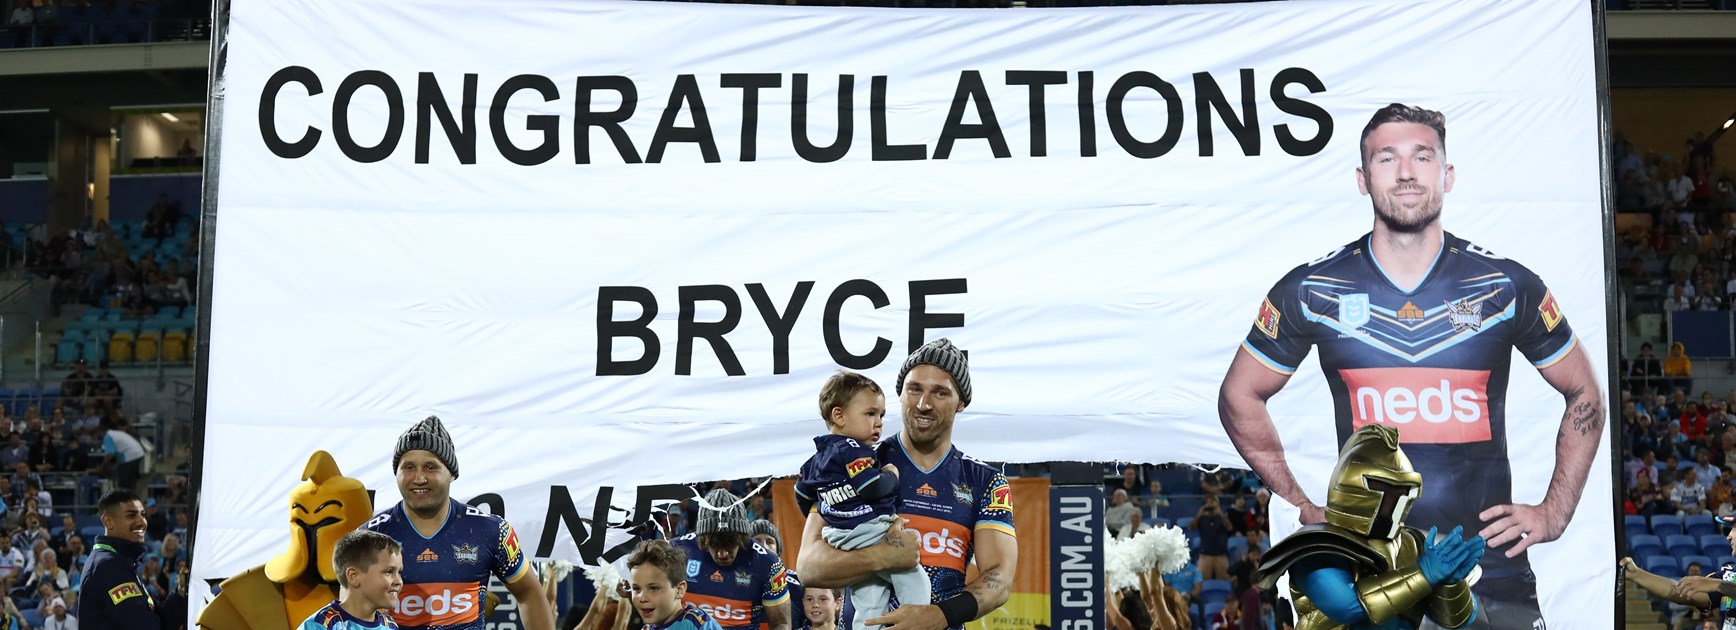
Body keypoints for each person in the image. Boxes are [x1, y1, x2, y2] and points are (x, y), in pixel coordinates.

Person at [1219, 103, 1603, 629]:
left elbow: (1585, 391)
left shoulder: (1506, 285)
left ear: (1447, 175)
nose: (1405, 172)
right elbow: (1238, 396)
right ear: (1362, 179)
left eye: (1422, 157)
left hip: (1490, 573)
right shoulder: (1311, 289)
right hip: (1371, 577)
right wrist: (1299, 503)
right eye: (1386, 158)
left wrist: (1554, 511)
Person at [797, 339, 1017, 630]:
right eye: (914, 389)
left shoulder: (985, 481)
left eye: (940, 392)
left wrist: (937, 616)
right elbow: (808, 566)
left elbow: (999, 578)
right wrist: (880, 557)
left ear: (961, 402)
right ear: (900, 394)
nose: (923, 404)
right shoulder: (854, 462)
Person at [362, 416, 553, 630]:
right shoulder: (369, 537)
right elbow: (349, 608)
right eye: (408, 467)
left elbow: (529, 593)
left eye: (430, 467)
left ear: (452, 473)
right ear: (396, 473)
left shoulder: (491, 530)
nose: (419, 478)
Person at [794, 371, 930, 630]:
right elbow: (871, 487)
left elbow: (801, 495)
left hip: (840, 538)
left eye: (881, 415)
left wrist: (830, 511)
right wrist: (891, 474)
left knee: (869, 602)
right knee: (915, 580)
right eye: (870, 414)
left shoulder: (814, 461)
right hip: (870, 531)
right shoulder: (854, 449)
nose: (878, 423)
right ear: (839, 416)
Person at [672, 489, 791, 630]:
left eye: (730, 543)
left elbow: (780, 624)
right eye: (715, 544)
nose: (722, 554)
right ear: (702, 539)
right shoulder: (676, 552)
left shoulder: (768, 563)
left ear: (743, 538)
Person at [1625, 515, 1736, 626]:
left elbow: (1721, 585)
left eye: (1735, 529)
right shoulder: (1728, 574)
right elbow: (1681, 592)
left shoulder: (1720, 582)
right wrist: (1637, 574)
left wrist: (1718, 585)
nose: (1729, 536)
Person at [77, 489, 161, 629]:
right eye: (131, 515)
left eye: (142, 514)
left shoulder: (120, 560)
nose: (141, 522)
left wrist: (179, 595)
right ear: (108, 521)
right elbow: (145, 626)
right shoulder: (108, 565)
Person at [297, 530, 403, 630]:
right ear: (354, 576)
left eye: (399, 572)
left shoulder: (390, 625)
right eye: (389, 571)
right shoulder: (319, 625)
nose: (398, 581)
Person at [630, 539, 725, 630]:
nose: (642, 598)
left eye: (654, 588)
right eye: (636, 589)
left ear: (679, 590)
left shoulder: (697, 623)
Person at [749, 520, 804, 630]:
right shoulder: (732, 580)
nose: (764, 546)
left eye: (770, 542)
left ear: (778, 550)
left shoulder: (797, 585)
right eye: (757, 541)